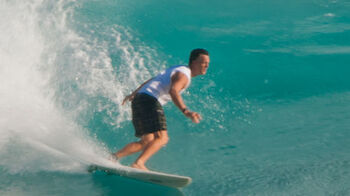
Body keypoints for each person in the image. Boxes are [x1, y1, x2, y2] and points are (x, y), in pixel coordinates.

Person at [113, 48, 210, 170]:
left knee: (147, 141)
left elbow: (153, 80)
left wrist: (135, 93)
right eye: (203, 62)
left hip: (140, 99)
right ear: (193, 62)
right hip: (150, 100)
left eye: (208, 63)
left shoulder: (177, 69)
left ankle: (113, 157)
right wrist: (186, 111)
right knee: (162, 138)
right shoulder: (184, 74)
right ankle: (139, 163)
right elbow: (173, 91)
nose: (206, 65)